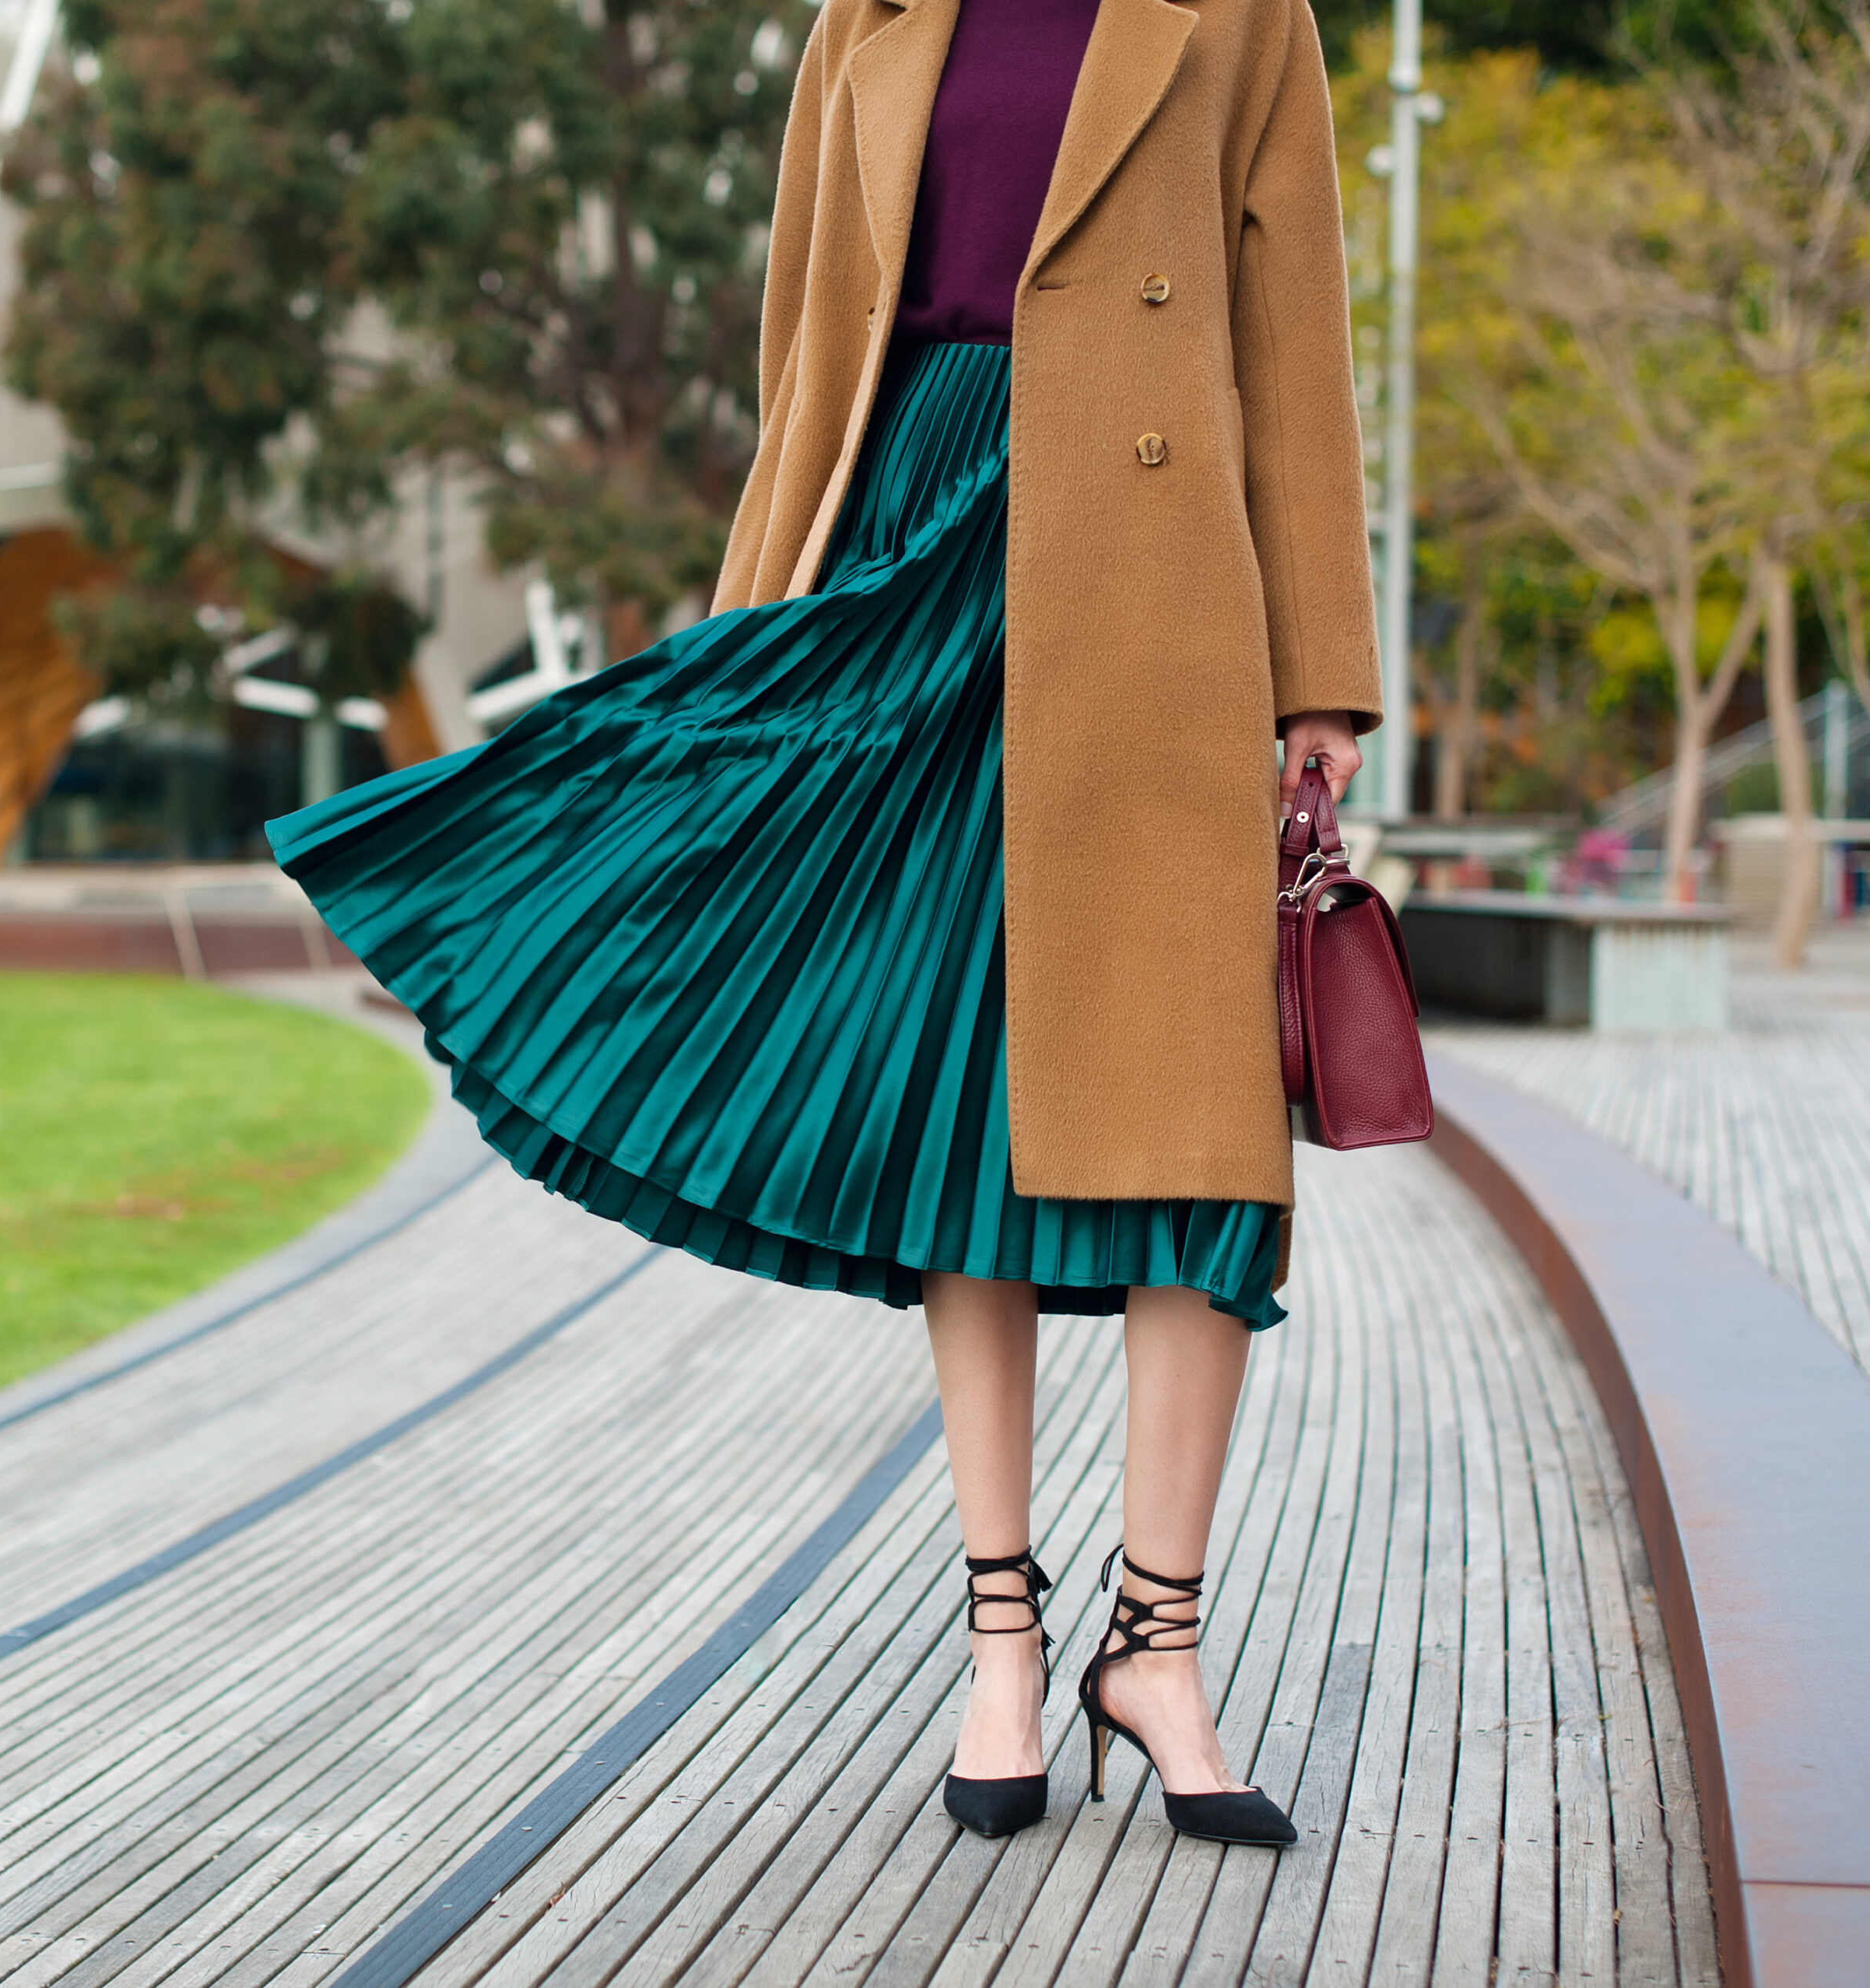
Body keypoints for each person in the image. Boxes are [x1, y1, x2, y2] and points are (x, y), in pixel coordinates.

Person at [271, 0, 1378, 1849]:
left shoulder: (1240, 10)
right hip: (903, 563)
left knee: (1207, 1142)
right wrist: (747, 631)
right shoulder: (868, 17)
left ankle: (1160, 1651)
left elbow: (1298, 330)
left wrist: (1321, 674)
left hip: (1158, 588)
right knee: (960, 1116)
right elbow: (812, 345)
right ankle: (1005, 1647)